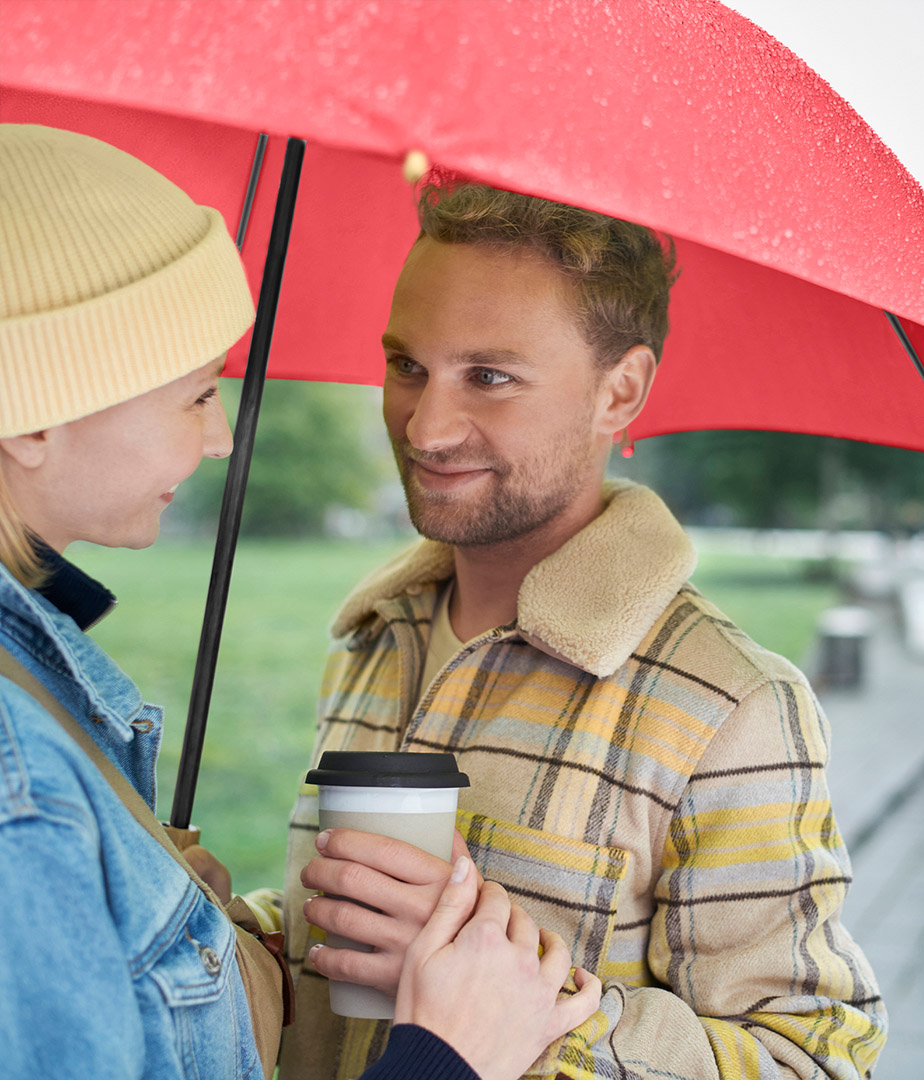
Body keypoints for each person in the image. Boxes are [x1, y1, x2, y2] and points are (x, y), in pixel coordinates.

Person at [0, 124, 599, 1080]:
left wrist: (165, 920)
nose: (220, 441)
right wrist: (448, 1056)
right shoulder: (18, 786)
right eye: (199, 394)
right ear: (34, 415)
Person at [281, 180, 888, 1079]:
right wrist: (224, 933)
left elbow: (816, 1062)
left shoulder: (734, 710)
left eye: (490, 377)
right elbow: (320, 979)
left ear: (622, 390)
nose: (425, 424)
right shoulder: (377, 637)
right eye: (408, 365)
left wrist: (535, 1010)